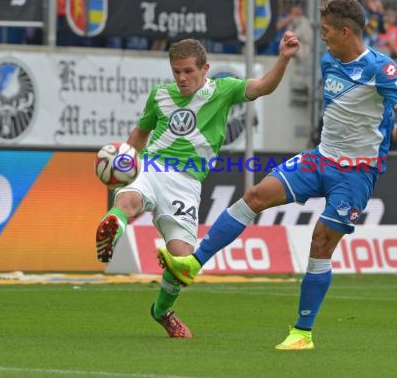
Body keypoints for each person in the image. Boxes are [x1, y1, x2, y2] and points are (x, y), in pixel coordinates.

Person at [157, 0, 397, 349]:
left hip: (357, 172)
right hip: (320, 159)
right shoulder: (329, 60)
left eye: (328, 31)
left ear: (347, 32)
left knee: (320, 241)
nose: (323, 37)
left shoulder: (382, 68)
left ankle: (302, 333)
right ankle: (192, 264)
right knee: (254, 196)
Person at [95, 33, 301, 338]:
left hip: (186, 183)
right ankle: (111, 229)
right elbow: (140, 135)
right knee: (129, 203)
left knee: (181, 261)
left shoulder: (224, 90)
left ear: (205, 69)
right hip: (151, 167)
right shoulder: (160, 95)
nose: (181, 78)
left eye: (188, 71)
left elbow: (263, 87)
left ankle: (162, 311)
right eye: (176, 71)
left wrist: (283, 57)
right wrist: (125, 163)